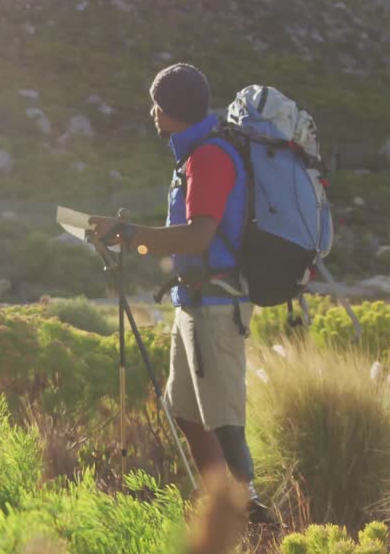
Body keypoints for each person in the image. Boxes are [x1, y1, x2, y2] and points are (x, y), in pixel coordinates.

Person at [89, 62, 277, 526]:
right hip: (193, 303)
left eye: (157, 105)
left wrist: (129, 234)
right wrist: (129, 238)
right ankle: (218, 503)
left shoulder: (208, 158)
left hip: (216, 306)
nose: (153, 113)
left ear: (171, 109)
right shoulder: (195, 154)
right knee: (187, 411)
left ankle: (253, 514)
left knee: (224, 419)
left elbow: (197, 237)